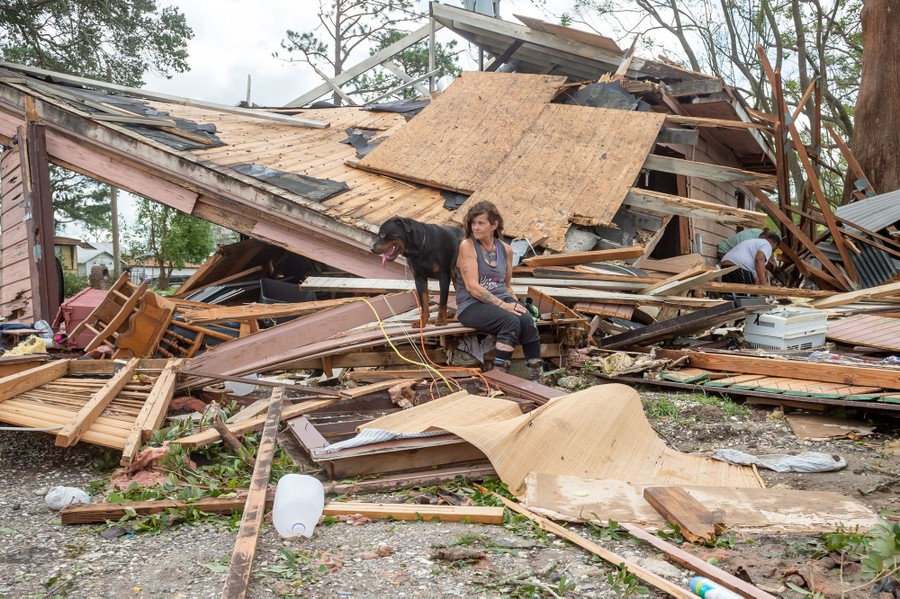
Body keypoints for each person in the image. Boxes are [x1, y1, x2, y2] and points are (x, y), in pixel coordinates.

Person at [455, 201, 543, 381]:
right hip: (472, 305)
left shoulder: (506, 250)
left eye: (481, 223)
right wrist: (504, 306)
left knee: (527, 320)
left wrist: (517, 304)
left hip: (500, 300)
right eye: (473, 223)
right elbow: (472, 287)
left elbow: (506, 285)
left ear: (494, 225)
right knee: (509, 321)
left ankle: (537, 376)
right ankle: (500, 377)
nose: (475, 227)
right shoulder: (467, 246)